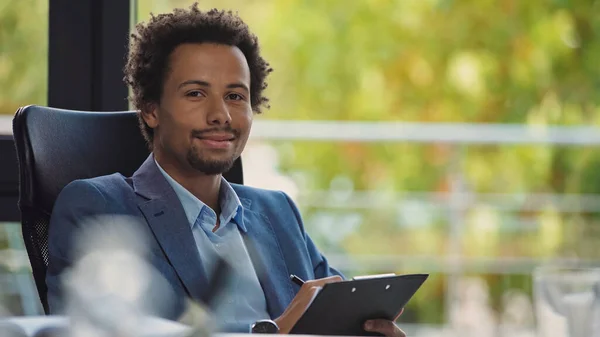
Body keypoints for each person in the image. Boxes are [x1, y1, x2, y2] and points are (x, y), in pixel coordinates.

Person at [46, 4, 405, 336]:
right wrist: (275, 332)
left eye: (235, 96)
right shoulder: (99, 207)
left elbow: (334, 312)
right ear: (151, 109)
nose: (221, 115)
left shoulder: (278, 212)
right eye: (196, 94)